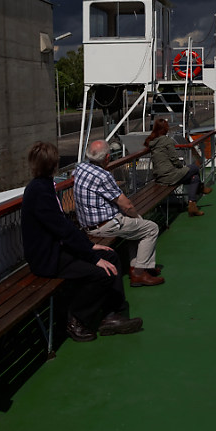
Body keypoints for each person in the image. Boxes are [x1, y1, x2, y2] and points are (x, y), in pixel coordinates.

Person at [20, 141, 143, 342]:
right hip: (47, 259)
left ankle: (113, 314)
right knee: (101, 272)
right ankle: (76, 319)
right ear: (54, 165)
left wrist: (90, 247)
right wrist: (92, 256)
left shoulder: (42, 187)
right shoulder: (40, 191)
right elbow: (61, 229)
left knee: (110, 256)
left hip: (58, 251)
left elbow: (63, 228)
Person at [73, 140, 165, 287]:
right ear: (108, 157)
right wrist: (137, 217)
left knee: (137, 227)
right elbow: (126, 205)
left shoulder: (80, 168)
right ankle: (139, 273)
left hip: (88, 225)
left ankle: (139, 266)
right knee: (151, 228)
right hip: (105, 226)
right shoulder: (103, 176)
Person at [145, 118, 211, 217]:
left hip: (159, 177)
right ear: (166, 129)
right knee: (195, 168)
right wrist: (181, 167)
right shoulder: (167, 141)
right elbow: (174, 159)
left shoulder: (153, 142)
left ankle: (193, 205)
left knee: (195, 178)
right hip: (169, 176)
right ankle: (199, 190)